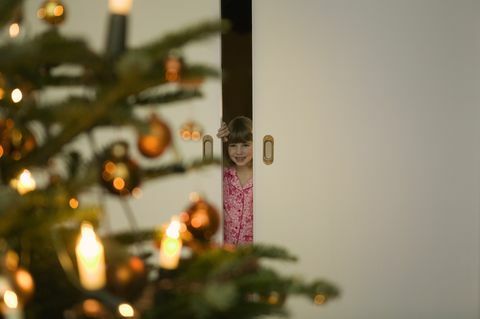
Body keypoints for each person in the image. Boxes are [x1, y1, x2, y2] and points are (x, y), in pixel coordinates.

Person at [216, 116, 253, 245]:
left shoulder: (262, 177)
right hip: (226, 250)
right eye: (233, 145)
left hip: (253, 252)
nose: (238, 151)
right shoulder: (223, 174)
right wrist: (221, 137)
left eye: (245, 145)